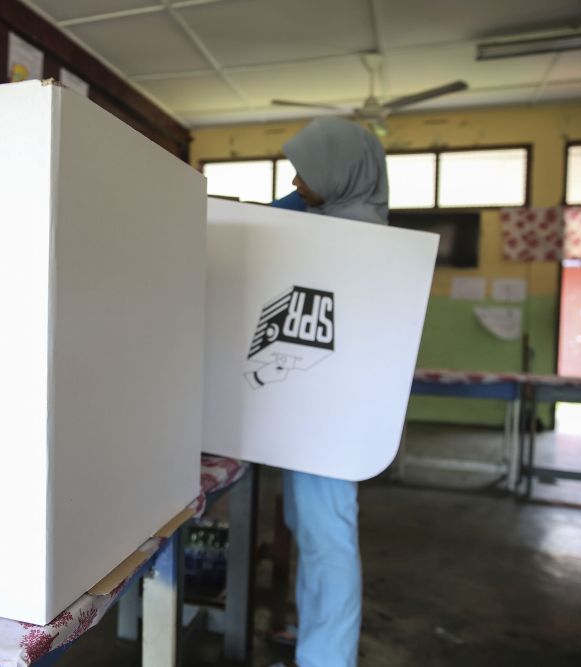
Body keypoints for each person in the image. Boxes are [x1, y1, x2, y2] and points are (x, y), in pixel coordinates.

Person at [269, 116, 389, 667]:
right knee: (314, 532)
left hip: (332, 416)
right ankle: (315, 642)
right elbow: (264, 217)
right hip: (316, 411)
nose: (296, 185)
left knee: (328, 539)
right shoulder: (337, 216)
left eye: (304, 173)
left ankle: (327, 659)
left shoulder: (353, 234)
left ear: (338, 173)